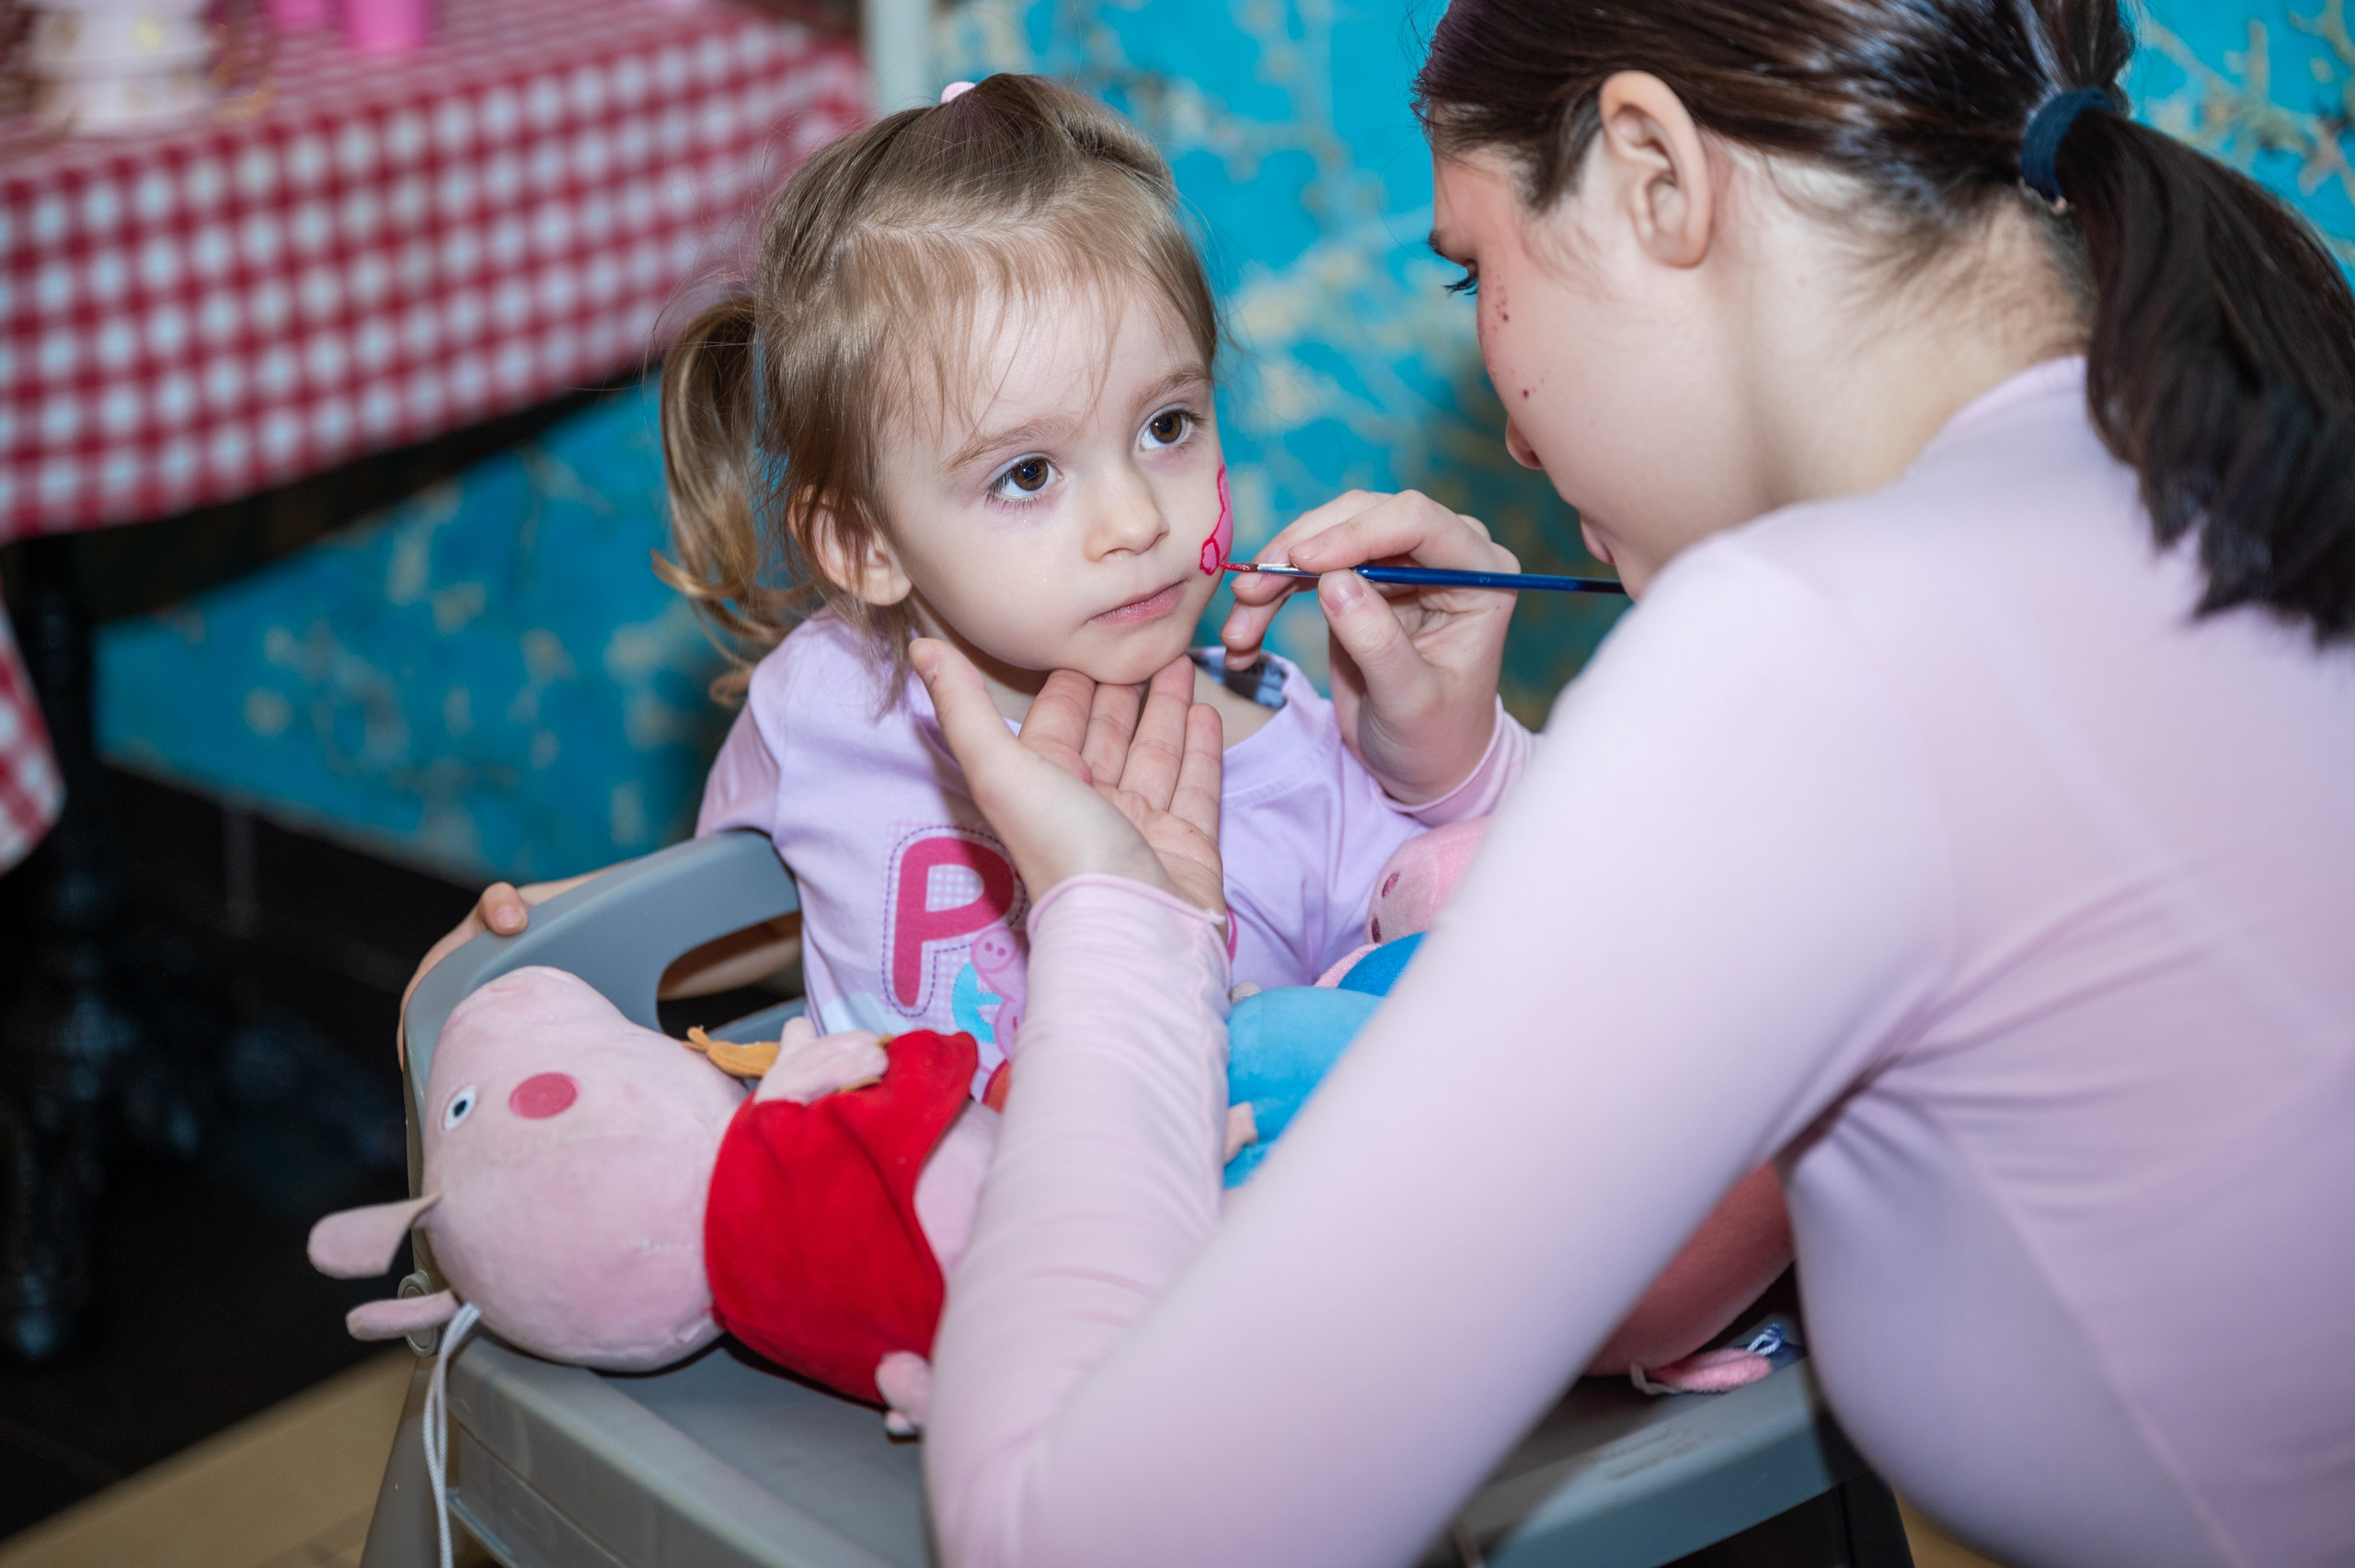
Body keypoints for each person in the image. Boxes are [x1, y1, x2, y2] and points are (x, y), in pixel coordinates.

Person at [894, 4, 2355, 1567]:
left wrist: (1119, 916)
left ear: (1657, 173)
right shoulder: (2212, 473)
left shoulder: (1810, 652)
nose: (1507, 434)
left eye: (1476, 271)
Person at [408, 75, 1447, 1078]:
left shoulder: (1299, 766)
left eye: (1166, 425)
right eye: (1027, 472)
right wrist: (535, 942)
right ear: (866, 544)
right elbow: (729, 917)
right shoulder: (820, 703)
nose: (1135, 519)